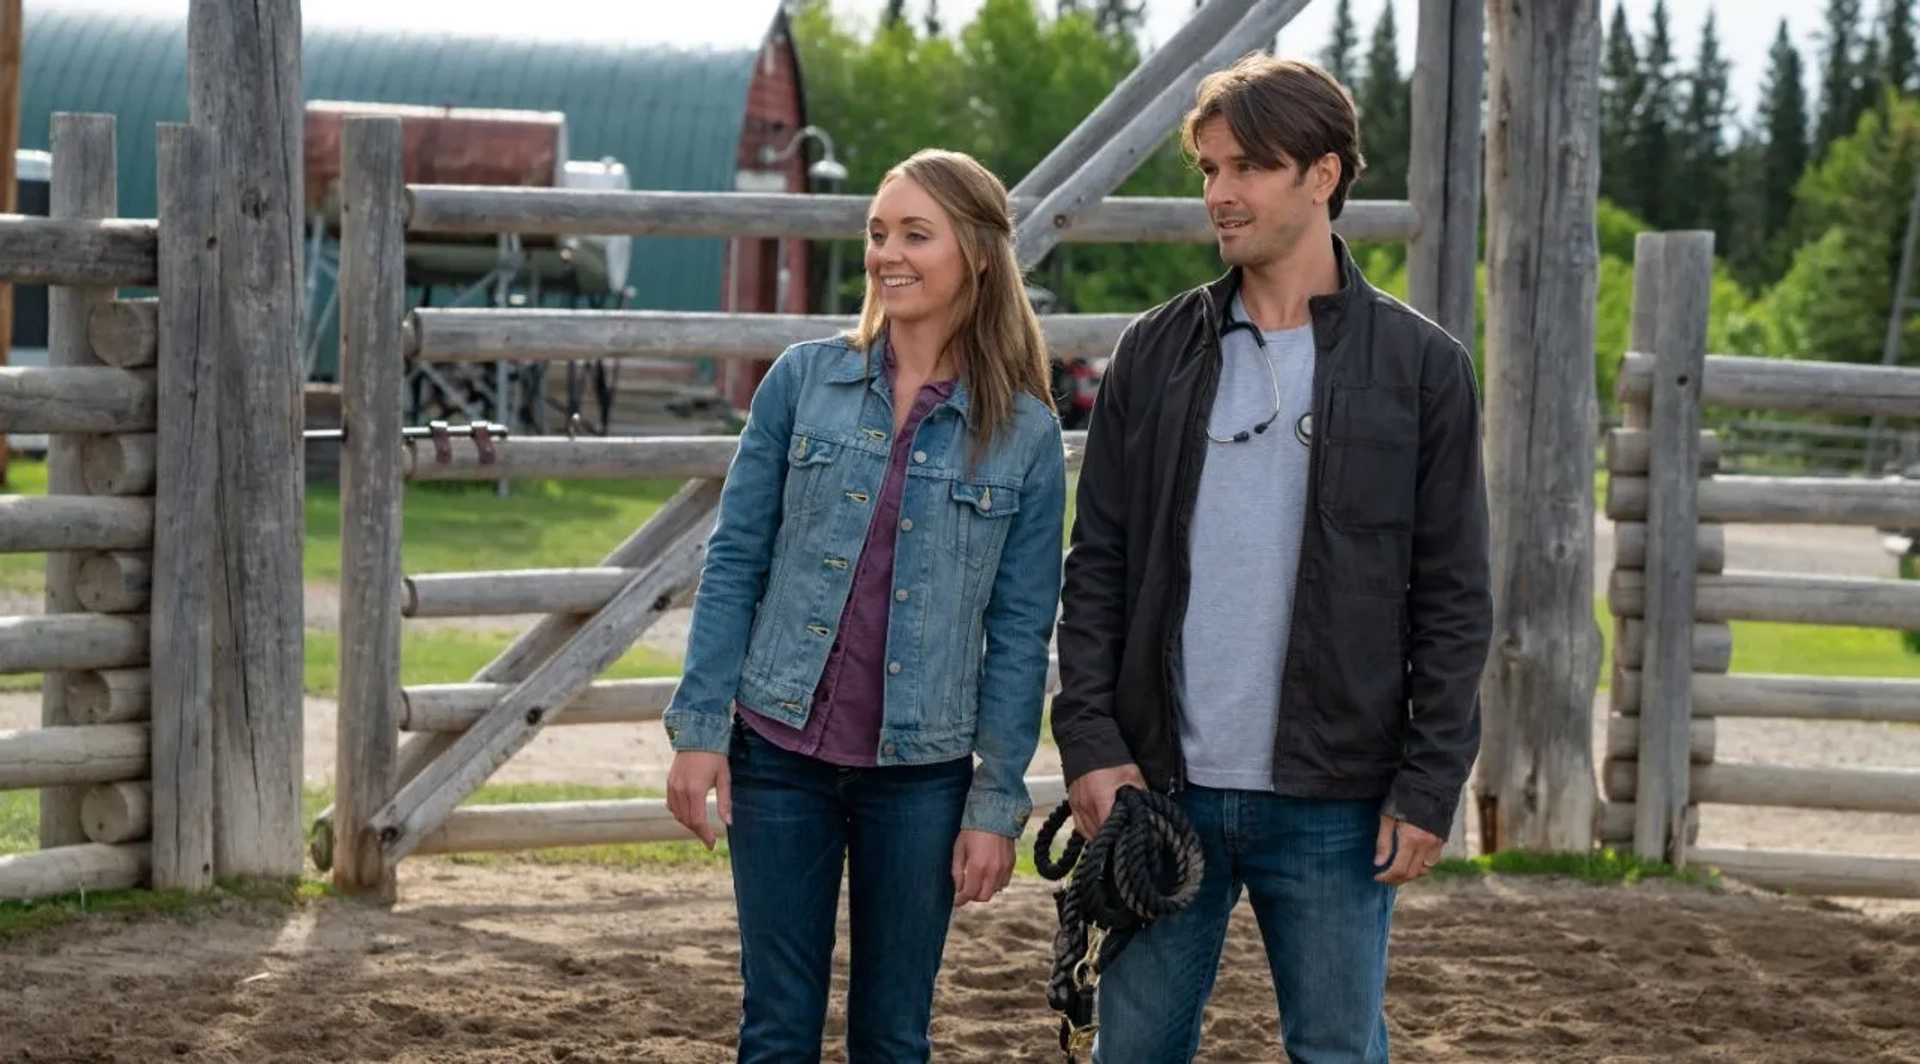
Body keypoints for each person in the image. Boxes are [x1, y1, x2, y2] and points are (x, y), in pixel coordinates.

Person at [1050, 55, 1493, 1064]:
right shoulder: (1155, 352)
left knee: (1338, 1049)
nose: (1219, 192)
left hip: (1338, 798)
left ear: (1323, 175)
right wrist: (1088, 738)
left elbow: (1456, 597)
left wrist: (1429, 783)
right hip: (1160, 789)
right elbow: (1098, 565)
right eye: (1209, 167)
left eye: (1247, 166)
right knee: (1134, 1054)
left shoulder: (1424, 371)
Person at [661, 148, 1067, 1064]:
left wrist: (995, 803)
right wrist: (699, 731)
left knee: (893, 1035)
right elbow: (734, 564)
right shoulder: (802, 382)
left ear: (977, 253)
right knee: (775, 1029)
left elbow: (1018, 634)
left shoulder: (1028, 436)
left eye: (916, 234)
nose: (889, 254)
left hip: (920, 778)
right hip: (777, 756)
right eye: (880, 233)